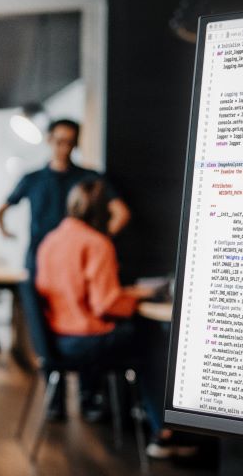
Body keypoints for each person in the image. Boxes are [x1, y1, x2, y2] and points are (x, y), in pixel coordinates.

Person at [34, 181, 188, 456]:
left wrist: (124, 294)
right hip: (85, 339)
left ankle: (141, 420)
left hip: (57, 339)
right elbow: (105, 304)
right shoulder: (96, 243)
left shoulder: (50, 240)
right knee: (157, 347)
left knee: (142, 342)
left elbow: (73, 292)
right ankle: (163, 435)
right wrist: (139, 297)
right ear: (102, 211)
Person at [0, 118, 130, 271]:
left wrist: (97, 242)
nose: (65, 149)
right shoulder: (32, 179)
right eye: (60, 142)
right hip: (39, 262)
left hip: (76, 262)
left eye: (70, 143)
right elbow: (1, 210)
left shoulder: (89, 179)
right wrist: (4, 232)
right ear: (49, 139)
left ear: (76, 144)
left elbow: (121, 213)